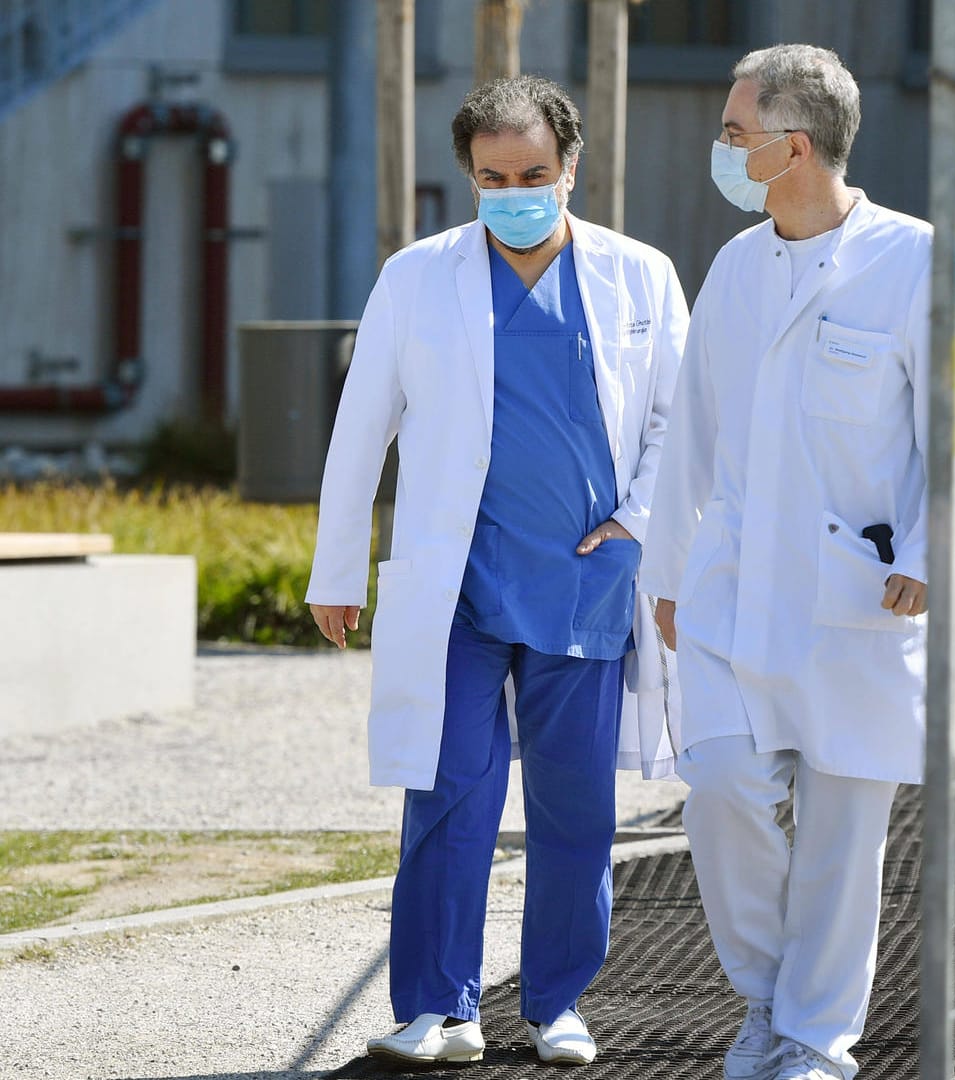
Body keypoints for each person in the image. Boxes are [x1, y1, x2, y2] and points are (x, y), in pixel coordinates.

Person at [306, 74, 687, 1067]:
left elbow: (681, 424)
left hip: (585, 583)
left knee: (574, 808)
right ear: (468, 176)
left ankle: (555, 1004)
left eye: (531, 173)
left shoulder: (640, 276)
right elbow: (361, 431)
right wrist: (334, 568)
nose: (512, 190)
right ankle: (437, 1006)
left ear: (570, 169)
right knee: (448, 793)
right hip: (461, 589)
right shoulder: (416, 276)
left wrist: (641, 522)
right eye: (491, 175)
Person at [639, 44, 955, 1080]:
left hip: (860, 597)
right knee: (721, 786)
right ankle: (764, 999)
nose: (723, 149)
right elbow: (688, 430)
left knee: (844, 839)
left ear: (793, 147)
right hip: (733, 590)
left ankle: (811, 1041)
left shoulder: (916, 261)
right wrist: (666, 568)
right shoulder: (736, 267)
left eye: (735, 133)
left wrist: (931, 551)